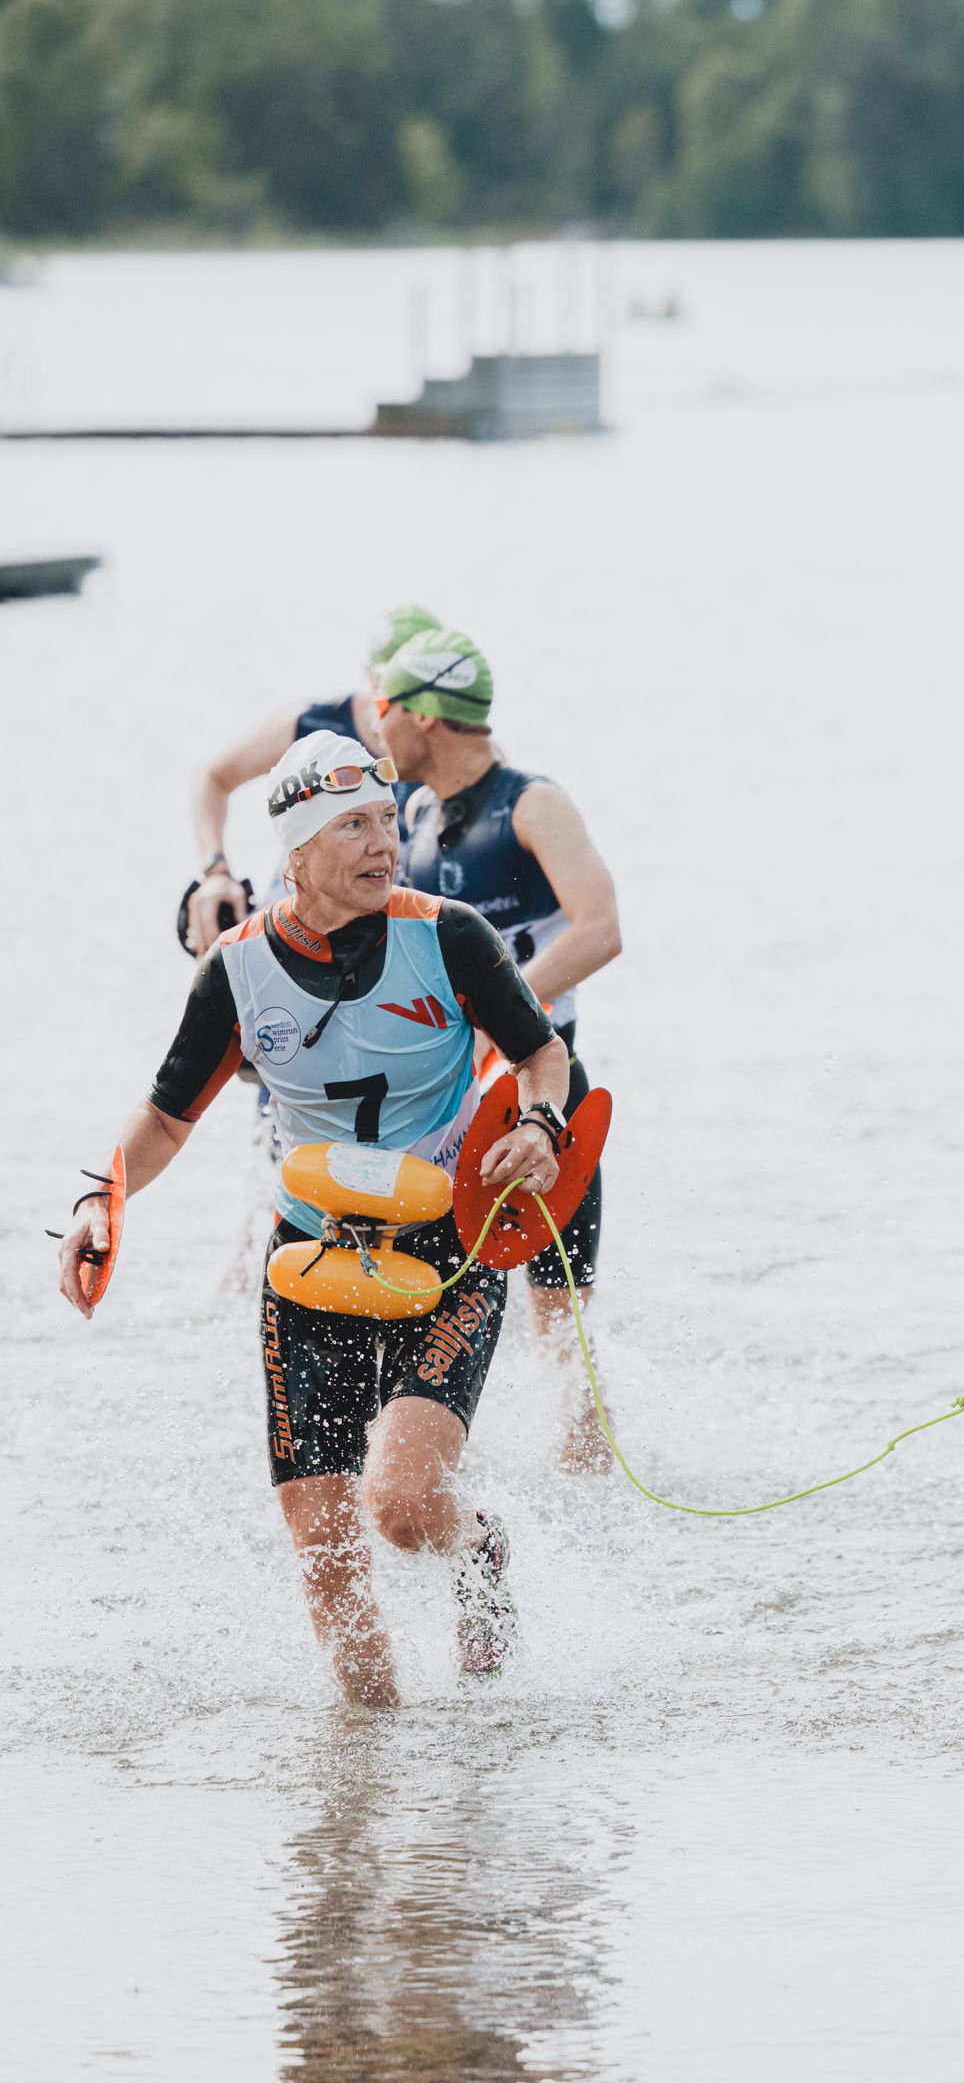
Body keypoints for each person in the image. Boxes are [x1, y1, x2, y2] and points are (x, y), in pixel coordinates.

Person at [57, 730, 573, 1707]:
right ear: (297, 851)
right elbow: (167, 1118)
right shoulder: (238, 973)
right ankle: (364, 1819)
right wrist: (102, 1199)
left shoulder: (448, 935)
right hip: (310, 1261)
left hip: (447, 1253)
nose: (384, 844)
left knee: (404, 1509)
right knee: (328, 1563)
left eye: (388, 820)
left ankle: (477, 1547)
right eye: (354, 827)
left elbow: (542, 1055)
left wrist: (541, 1126)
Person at [374, 628, 623, 1473]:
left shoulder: (533, 804)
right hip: (447, 1108)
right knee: (433, 1310)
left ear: (424, 717)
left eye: (384, 712)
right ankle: (436, 1487)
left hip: (546, 1095)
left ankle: (593, 1506)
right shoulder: (407, 813)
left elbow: (601, 930)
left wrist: (500, 1013)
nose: (377, 731)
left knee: (560, 1335)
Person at [182, 603, 440, 952]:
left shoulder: (453, 745)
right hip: (301, 911)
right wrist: (216, 872)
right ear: (370, 676)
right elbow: (214, 779)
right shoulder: (314, 723)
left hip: (394, 926)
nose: (395, 703)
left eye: (412, 690)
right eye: (387, 684)